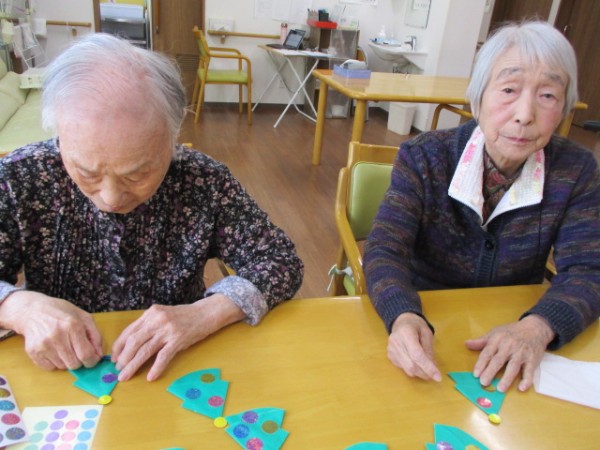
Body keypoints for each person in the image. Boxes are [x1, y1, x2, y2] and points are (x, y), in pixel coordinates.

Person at [0, 33, 303, 382]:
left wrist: (205, 313)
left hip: (175, 367)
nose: (111, 198)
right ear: (60, 136)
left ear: (173, 136)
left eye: (137, 174)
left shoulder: (202, 180)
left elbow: (280, 260)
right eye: (87, 172)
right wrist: (17, 306)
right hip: (58, 374)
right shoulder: (20, 176)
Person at [363, 21, 600, 393]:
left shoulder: (577, 170)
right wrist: (402, 314)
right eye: (508, 89)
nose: (524, 114)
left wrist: (538, 327)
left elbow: (589, 269)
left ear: (564, 109)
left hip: (515, 333)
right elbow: (384, 248)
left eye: (548, 95)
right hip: (429, 323)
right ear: (477, 99)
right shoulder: (424, 156)